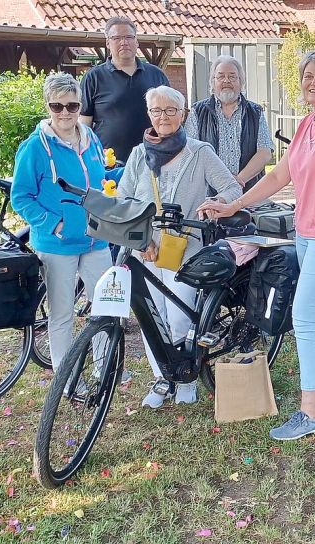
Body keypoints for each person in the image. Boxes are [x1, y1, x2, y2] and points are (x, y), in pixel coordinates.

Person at [200, 50, 315, 440]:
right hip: (308, 230)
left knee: (306, 318)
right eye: (307, 76)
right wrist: (234, 204)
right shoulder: (311, 123)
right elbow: (279, 175)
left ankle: (311, 413)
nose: (313, 82)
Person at [118, 86, 242, 408]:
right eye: (157, 111)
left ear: (183, 114)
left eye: (171, 111)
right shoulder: (137, 154)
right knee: (150, 318)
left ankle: (184, 377)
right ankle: (162, 376)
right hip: (145, 249)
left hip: (185, 248)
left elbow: (231, 187)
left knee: (178, 318)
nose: (164, 117)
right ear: (149, 115)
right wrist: (142, 237)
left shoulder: (199, 152)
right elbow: (123, 199)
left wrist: (215, 202)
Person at [10, 73, 114, 373]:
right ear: (48, 107)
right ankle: (65, 376)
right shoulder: (35, 148)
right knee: (62, 313)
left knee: (105, 305)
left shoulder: (90, 138)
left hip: (97, 237)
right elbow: (22, 197)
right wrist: (53, 224)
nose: (66, 113)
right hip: (57, 244)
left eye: (72, 105)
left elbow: (102, 178)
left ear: (80, 106)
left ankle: (102, 367)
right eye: (57, 106)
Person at [79, 15, 169, 163]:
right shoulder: (93, 77)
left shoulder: (156, 75)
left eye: (129, 37)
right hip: (109, 165)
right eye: (117, 38)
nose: (124, 42)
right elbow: (84, 125)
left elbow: (171, 118)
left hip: (153, 161)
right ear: (108, 43)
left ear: (136, 41)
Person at [185, 55, 274, 194]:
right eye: (220, 76)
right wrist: (221, 183)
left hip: (249, 192)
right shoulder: (197, 112)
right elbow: (190, 153)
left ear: (241, 82)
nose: (226, 81)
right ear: (212, 82)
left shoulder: (255, 112)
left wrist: (238, 180)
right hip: (209, 193)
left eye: (232, 76)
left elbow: (265, 152)